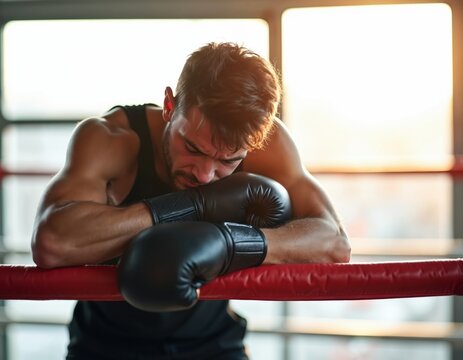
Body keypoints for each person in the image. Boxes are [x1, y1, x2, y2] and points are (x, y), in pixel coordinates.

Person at [31, 42, 351, 360]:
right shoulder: (111, 138)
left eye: (229, 161)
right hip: (105, 344)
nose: (206, 175)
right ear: (170, 105)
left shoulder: (263, 141)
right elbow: (52, 242)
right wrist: (192, 205)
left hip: (213, 343)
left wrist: (231, 243)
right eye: (193, 149)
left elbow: (334, 243)